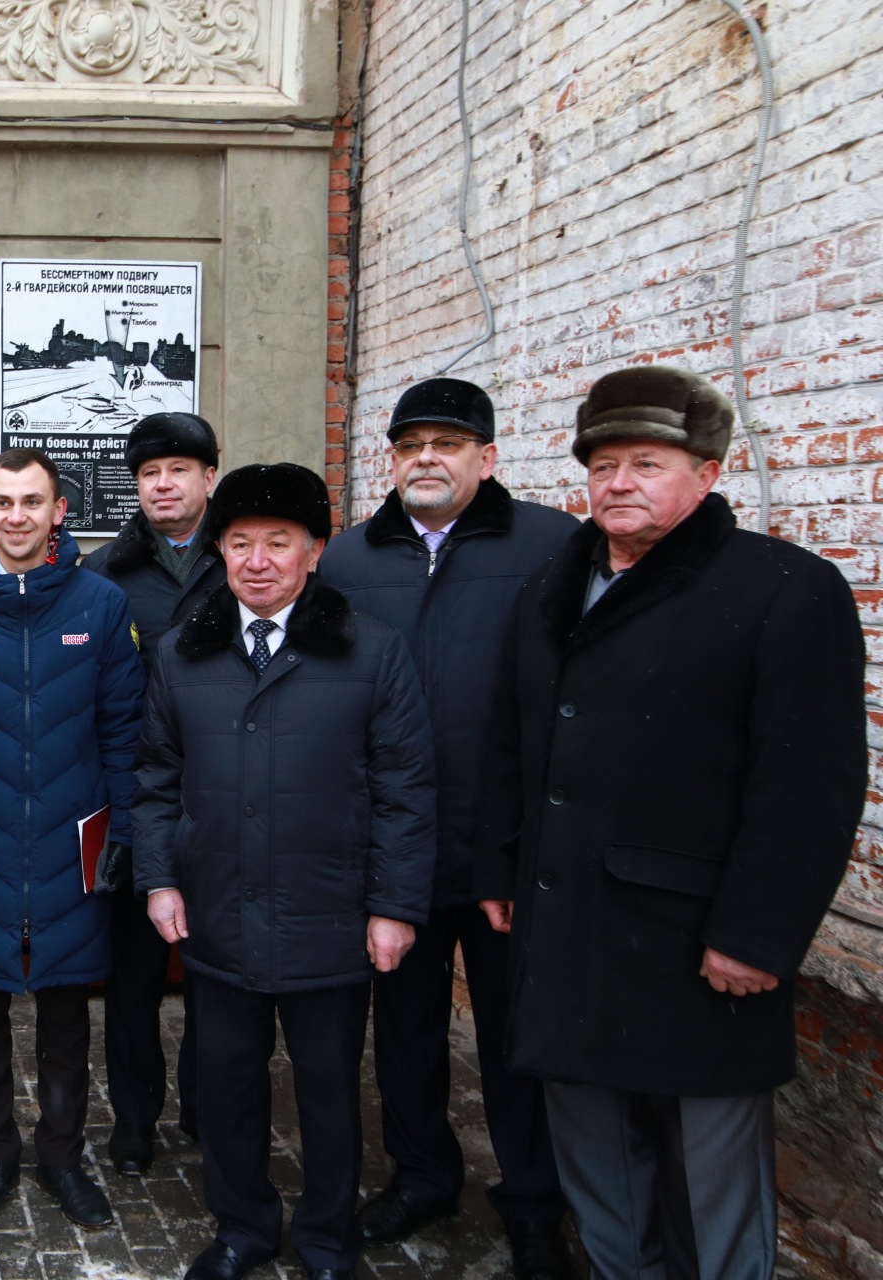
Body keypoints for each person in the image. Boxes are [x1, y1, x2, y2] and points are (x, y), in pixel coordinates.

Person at [474, 366, 867, 1280]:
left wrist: (757, 935)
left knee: (709, 1180)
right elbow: (511, 738)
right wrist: (498, 866)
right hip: (568, 930)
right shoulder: (554, 585)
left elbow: (809, 785)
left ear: (707, 474)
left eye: (646, 464)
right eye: (603, 465)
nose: (619, 483)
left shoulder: (783, 589)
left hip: (694, 945)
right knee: (600, 1167)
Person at [135, 463, 437, 1280]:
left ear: (315, 551)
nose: (258, 561)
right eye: (241, 544)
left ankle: (328, 1238)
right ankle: (242, 1228)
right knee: (226, 1086)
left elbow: (406, 789)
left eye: (279, 542)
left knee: (330, 1092)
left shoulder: (371, 650)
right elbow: (156, 779)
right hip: (218, 911)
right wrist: (160, 879)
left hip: (329, 914)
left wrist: (394, 906)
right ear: (220, 553)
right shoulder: (182, 653)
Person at [314, 378, 576, 1276]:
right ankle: (422, 1172)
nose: (426, 458)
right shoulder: (349, 560)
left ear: (487, 458)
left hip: (504, 846)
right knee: (406, 1028)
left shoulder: (551, 545)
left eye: (448, 443)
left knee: (515, 1035)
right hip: (392, 847)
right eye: (410, 444)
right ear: (390, 459)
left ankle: (534, 1200)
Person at [0, 447, 146, 1231]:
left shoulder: (101, 605)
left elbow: (123, 733)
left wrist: (123, 832)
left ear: (58, 511)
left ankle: (62, 1159)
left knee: (65, 1015)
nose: (17, 516)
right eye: (3, 502)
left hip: (71, 844)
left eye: (32, 501)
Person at [81, 411, 223, 1175]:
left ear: (208, 476)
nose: (163, 485)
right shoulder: (106, 573)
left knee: (215, 971)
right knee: (133, 977)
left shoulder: (243, 558)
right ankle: (134, 1119)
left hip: (226, 797)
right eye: (148, 473)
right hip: (138, 801)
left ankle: (206, 1105)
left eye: (178, 470)